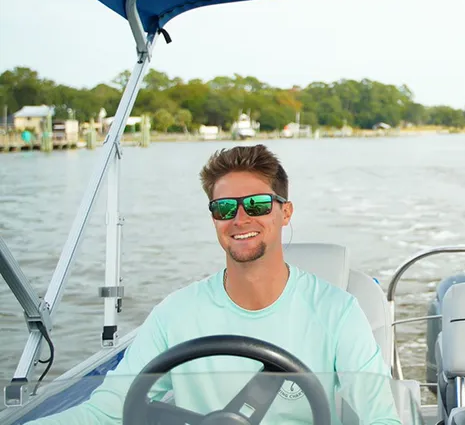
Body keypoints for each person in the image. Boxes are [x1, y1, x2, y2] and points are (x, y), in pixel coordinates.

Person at [30, 144, 401, 425]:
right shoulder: (175, 314)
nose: (239, 219)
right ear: (214, 219)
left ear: (285, 212)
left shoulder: (337, 311)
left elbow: (380, 415)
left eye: (256, 205)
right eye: (224, 208)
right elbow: (108, 412)